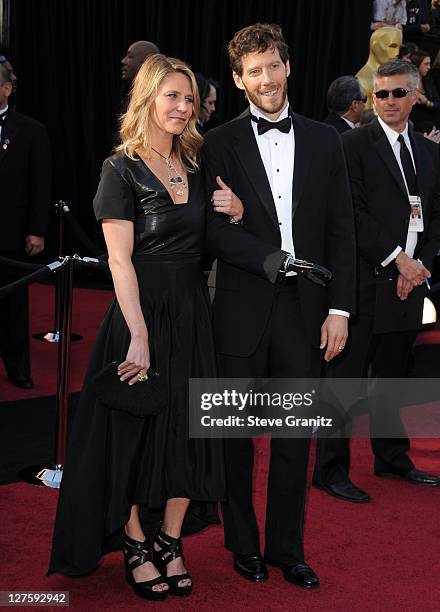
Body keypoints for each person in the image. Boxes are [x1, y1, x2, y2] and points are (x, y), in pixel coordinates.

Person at [48, 53, 294, 600]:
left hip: (191, 315)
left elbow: (211, 236)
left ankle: (170, 538)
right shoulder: (122, 168)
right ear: (148, 99)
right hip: (141, 315)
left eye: (189, 99)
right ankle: (135, 541)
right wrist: (137, 333)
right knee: (135, 436)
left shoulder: (198, 163)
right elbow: (119, 261)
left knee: (190, 433)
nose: (183, 108)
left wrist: (233, 212)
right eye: (172, 97)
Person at [203, 23, 356, 589]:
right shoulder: (217, 143)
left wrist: (340, 308)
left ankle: (286, 548)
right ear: (239, 81)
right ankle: (242, 542)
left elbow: (343, 232)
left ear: (287, 67)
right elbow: (213, 236)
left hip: (307, 312)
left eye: (272, 66)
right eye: (253, 71)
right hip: (241, 308)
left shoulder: (325, 140)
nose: (266, 79)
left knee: (294, 439)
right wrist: (248, 226)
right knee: (236, 440)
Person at [313, 60, 440, 504]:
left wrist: (418, 267)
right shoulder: (351, 145)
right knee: (345, 377)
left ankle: (391, 455)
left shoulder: (429, 152)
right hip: (363, 280)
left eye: (398, 93)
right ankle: (329, 468)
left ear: (415, 95)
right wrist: (398, 260)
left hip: (409, 283)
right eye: (380, 94)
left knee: (393, 374)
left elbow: (434, 216)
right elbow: (353, 214)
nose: (388, 102)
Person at [0, 62, 51, 389]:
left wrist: (37, 229)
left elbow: (40, 183)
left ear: (6, 88)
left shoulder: (31, 130)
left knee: (13, 307)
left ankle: (18, 367)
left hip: (11, 234)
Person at [356, 26, 402, 108]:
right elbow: (364, 117)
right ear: (376, 46)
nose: (397, 53)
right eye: (392, 46)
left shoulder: (390, 77)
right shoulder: (364, 80)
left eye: (399, 47)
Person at [410, 49, 440, 132]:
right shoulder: (405, 82)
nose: (429, 67)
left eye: (429, 64)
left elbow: (438, 105)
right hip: (412, 126)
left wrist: (427, 103)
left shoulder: (429, 82)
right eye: (426, 64)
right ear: (416, 64)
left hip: (430, 125)